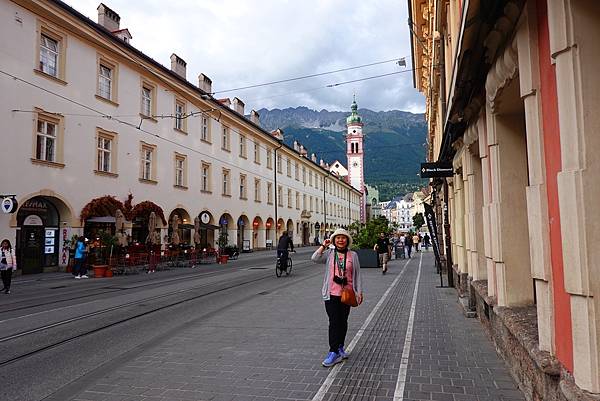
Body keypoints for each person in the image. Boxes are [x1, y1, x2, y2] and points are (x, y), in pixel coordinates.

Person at [312, 228, 363, 367]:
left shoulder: (353, 255)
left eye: (343, 237)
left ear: (347, 240)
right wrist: (323, 246)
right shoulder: (329, 253)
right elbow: (315, 258)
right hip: (331, 294)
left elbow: (357, 274)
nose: (341, 240)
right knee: (334, 322)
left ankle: (340, 347)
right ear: (334, 240)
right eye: (338, 238)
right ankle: (333, 351)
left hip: (347, 294)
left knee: (343, 321)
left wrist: (359, 291)